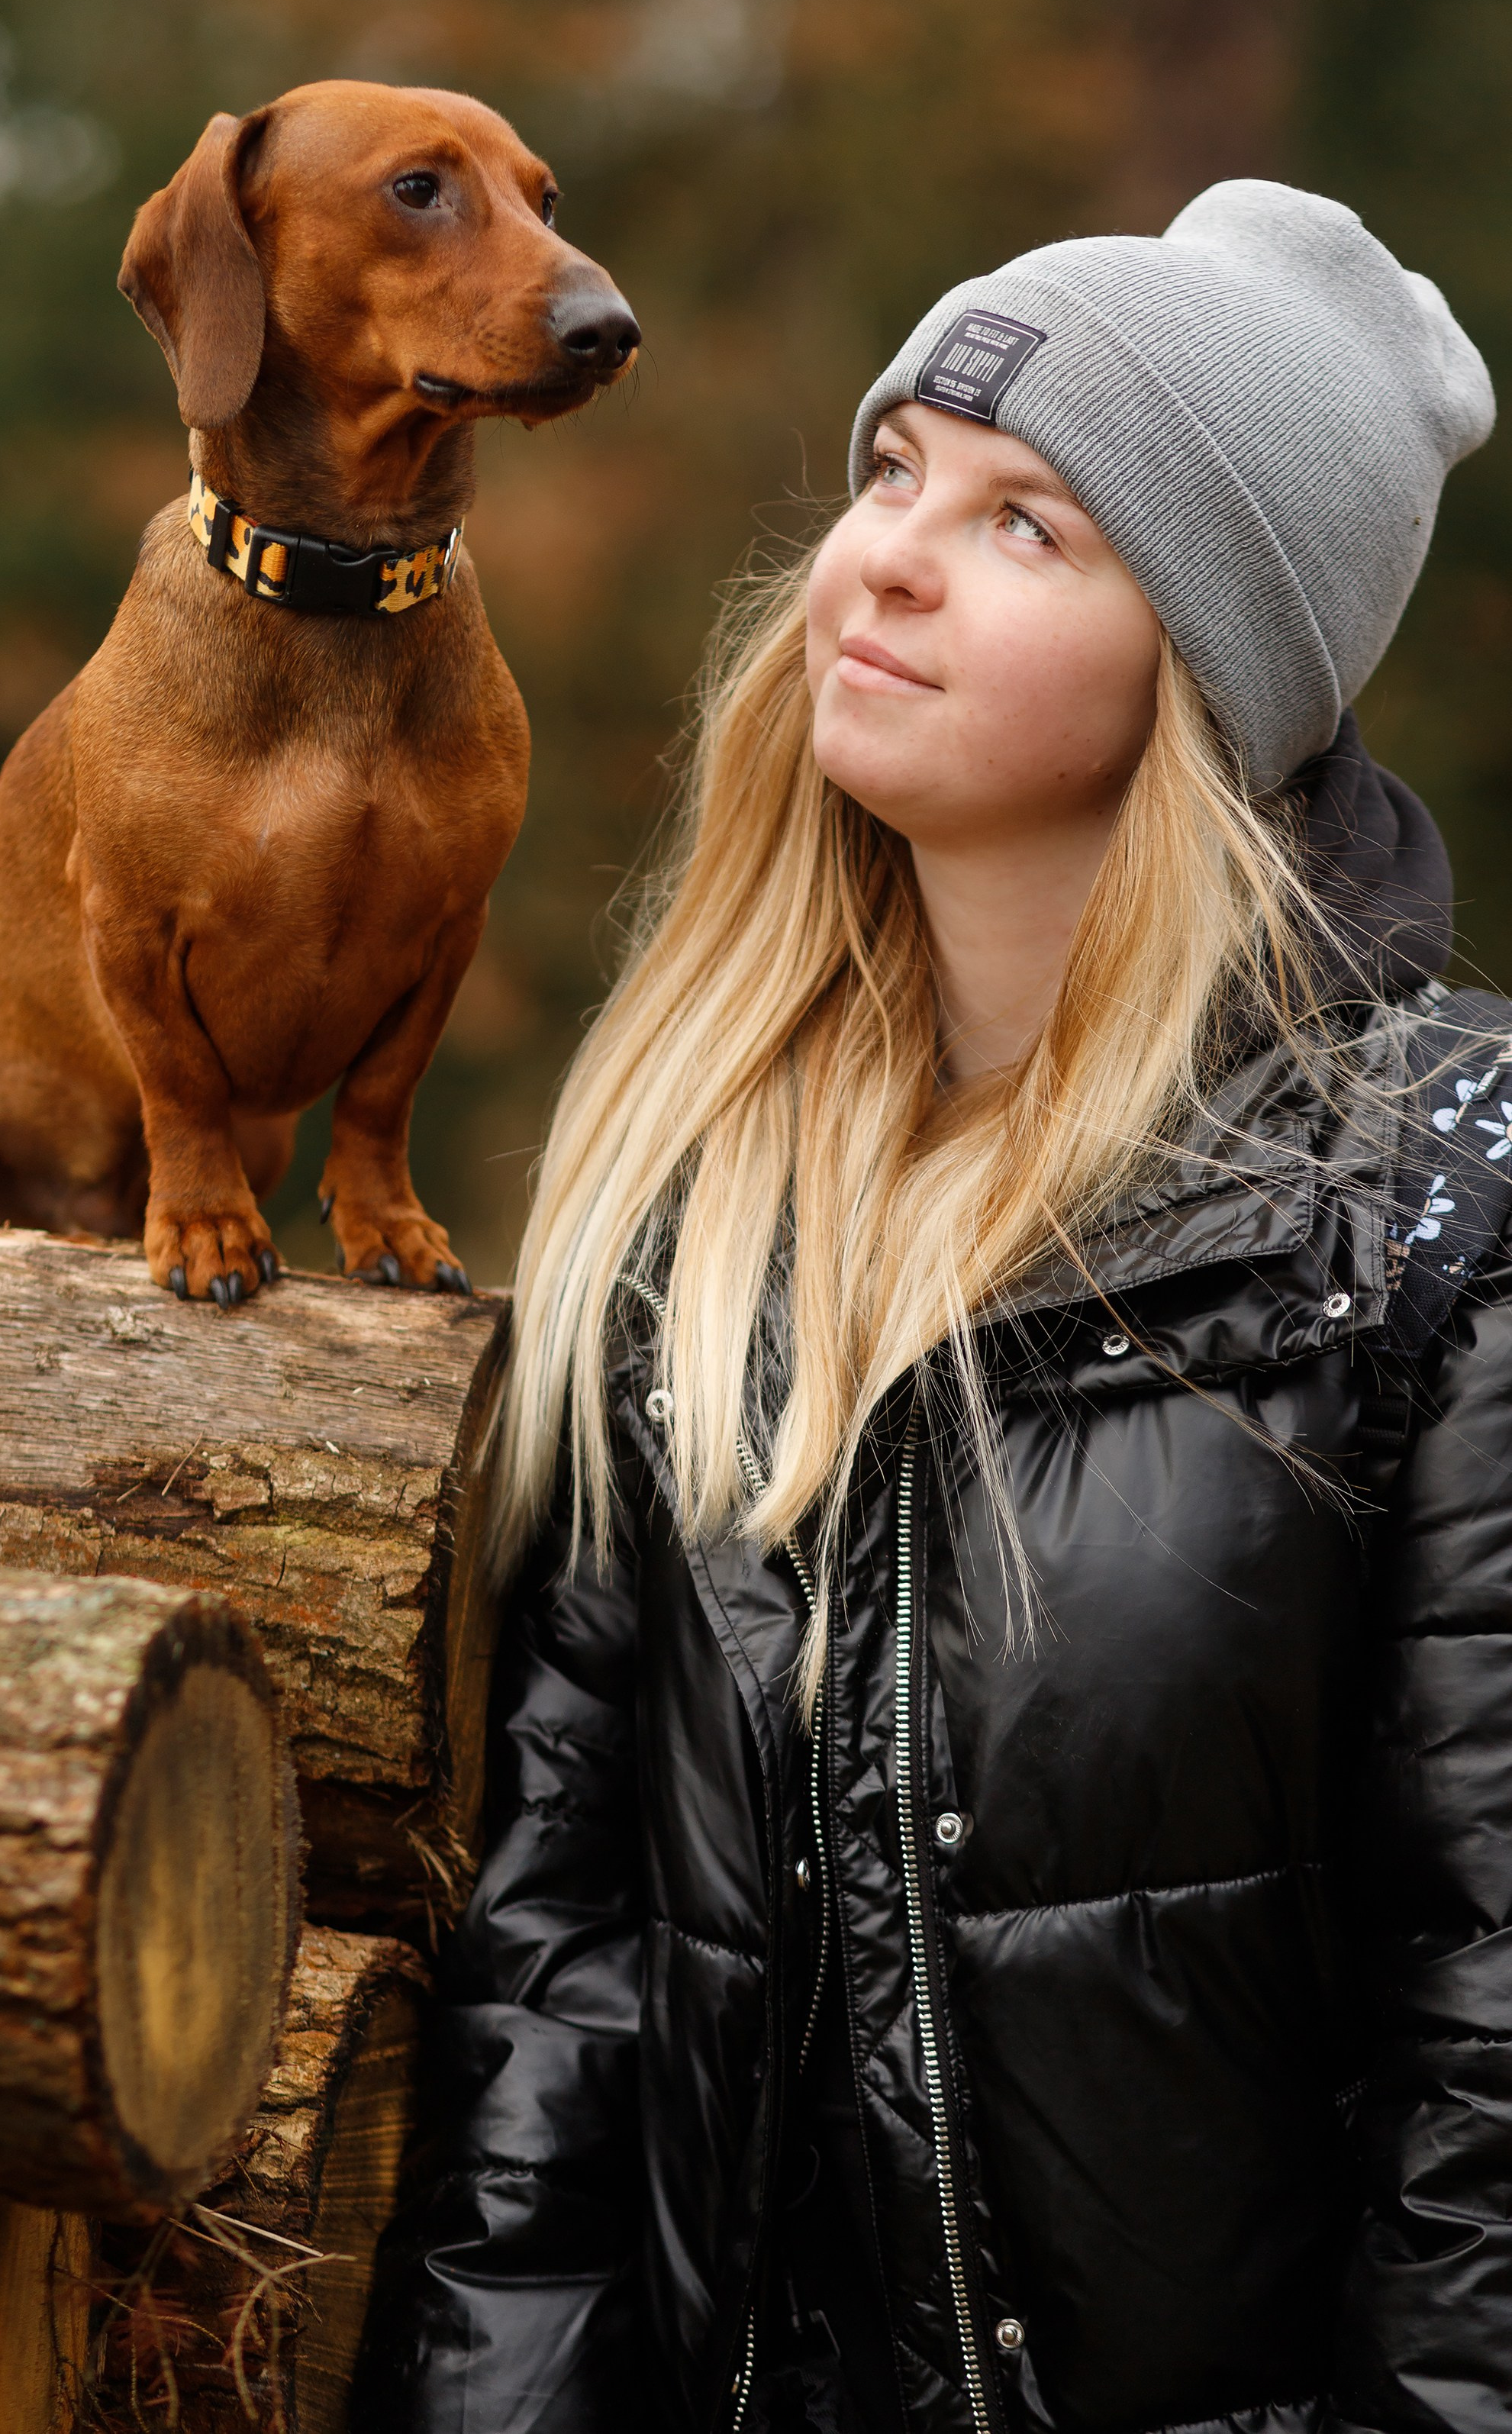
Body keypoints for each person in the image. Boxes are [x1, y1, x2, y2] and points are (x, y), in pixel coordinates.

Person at [356, 181, 1512, 2434]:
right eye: (895, 470)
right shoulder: (708, 1209)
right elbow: (563, 1987)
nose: (879, 553)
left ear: (1211, 658)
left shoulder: (1443, 1212)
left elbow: (1492, 2054)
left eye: (1031, 525)